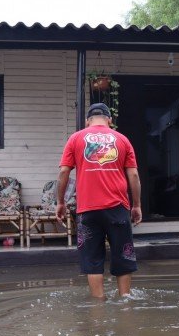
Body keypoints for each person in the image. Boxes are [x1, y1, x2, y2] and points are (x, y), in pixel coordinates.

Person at [57, 103, 142, 298]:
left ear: (88, 120)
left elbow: (63, 171)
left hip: (87, 210)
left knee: (92, 261)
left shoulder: (75, 138)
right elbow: (134, 176)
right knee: (123, 256)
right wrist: (136, 205)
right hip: (118, 208)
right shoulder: (122, 140)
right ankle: (125, 302)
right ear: (109, 119)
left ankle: (98, 306)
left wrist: (60, 202)